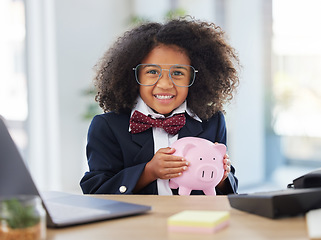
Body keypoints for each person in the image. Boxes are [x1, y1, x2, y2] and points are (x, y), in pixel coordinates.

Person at [80, 17, 240, 195]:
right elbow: (96, 190)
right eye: (152, 72)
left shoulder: (212, 122)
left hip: (195, 220)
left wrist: (222, 177)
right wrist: (148, 172)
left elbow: (227, 191)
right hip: (136, 222)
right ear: (134, 76)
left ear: (196, 78)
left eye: (178, 73)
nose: (165, 84)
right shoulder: (108, 126)